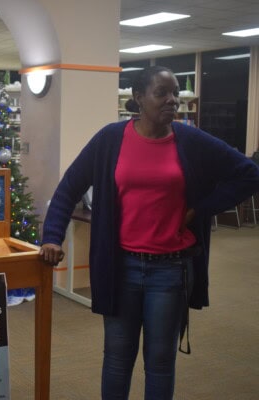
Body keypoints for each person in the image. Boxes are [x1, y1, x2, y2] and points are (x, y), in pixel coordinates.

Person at [39, 66, 259, 399]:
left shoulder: (191, 140)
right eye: (161, 93)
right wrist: (52, 237)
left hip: (170, 270)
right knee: (116, 357)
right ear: (138, 98)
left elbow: (249, 174)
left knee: (159, 360)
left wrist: (202, 208)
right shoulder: (110, 139)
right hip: (119, 267)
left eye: (174, 93)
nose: (171, 100)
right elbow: (68, 188)